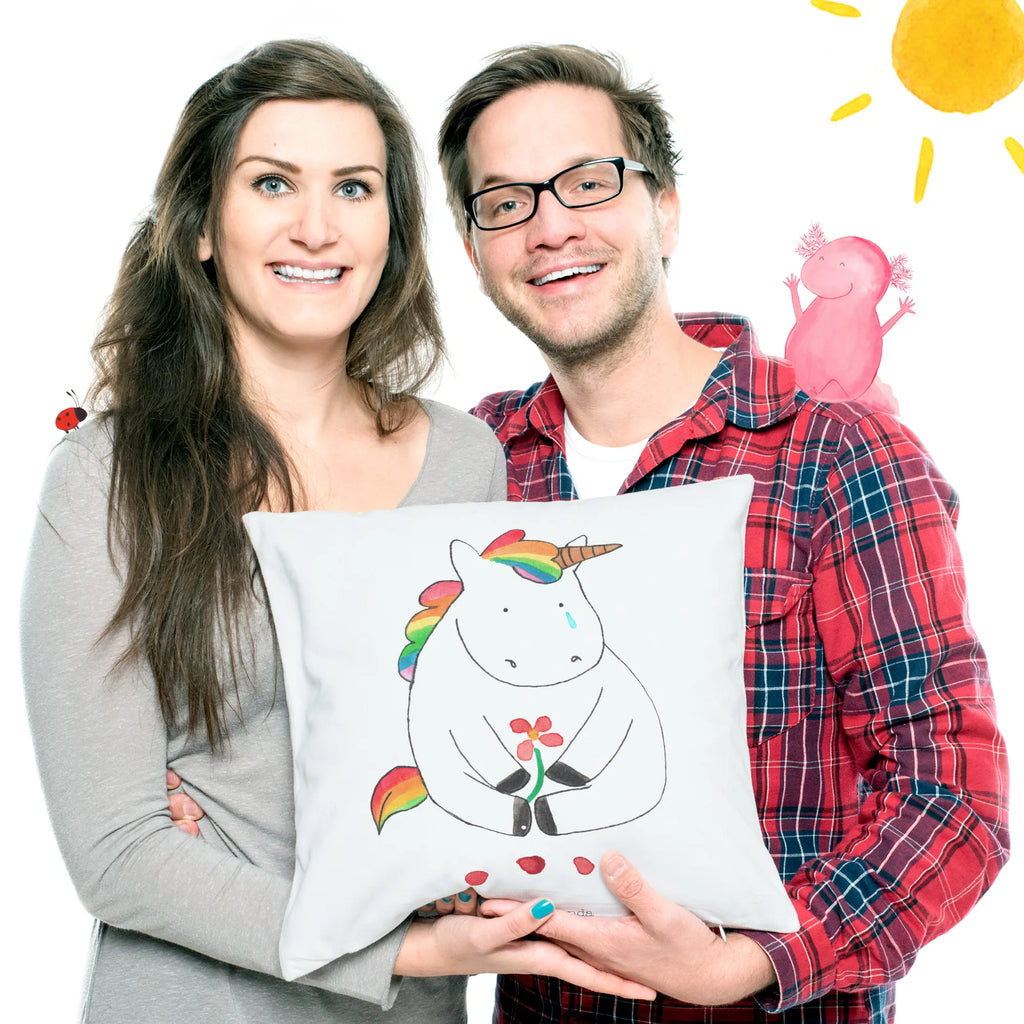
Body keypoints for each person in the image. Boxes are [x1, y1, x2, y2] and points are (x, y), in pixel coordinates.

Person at [20, 39, 656, 1024]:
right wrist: (405, 945)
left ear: (392, 229)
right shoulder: (107, 475)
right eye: (272, 182)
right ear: (201, 225)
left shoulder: (467, 461)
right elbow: (116, 854)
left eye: (354, 188)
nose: (316, 228)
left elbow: (485, 748)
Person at [432, 44, 1010, 1023]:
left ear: (664, 209)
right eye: (506, 201)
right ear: (474, 248)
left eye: (587, 181)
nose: (550, 225)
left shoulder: (838, 455)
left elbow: (954, 802)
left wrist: (747, 961)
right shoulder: (472, 461)